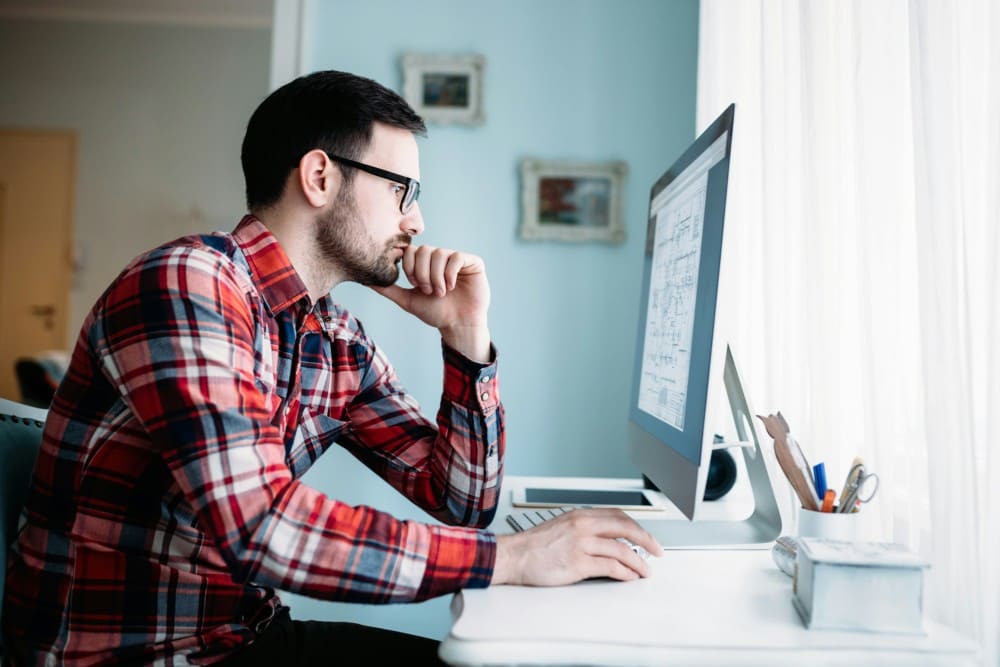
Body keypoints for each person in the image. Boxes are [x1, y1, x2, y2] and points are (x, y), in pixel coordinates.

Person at [2, 70, 662, 666]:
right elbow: (264, 526)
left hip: (241, 637)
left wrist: (467, 338)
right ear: (320, 176)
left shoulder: (335, 338)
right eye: (403, 190)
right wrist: (516, 559)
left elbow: (464, 503)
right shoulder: (190, 285)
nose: (418, 219)